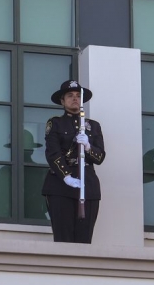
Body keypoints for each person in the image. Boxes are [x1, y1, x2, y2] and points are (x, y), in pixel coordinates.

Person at [42, 80, 106, 243]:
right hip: (61, 185)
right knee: (63, 237)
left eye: (78, 95)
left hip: (88, 184)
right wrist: (66, 176)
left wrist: (88, 147)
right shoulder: (55, 123)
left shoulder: (93, 126)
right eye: (70, 95)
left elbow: (100, 157)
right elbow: (53, 153)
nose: (75, 98)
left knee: (84, 238)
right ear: (62, 101)